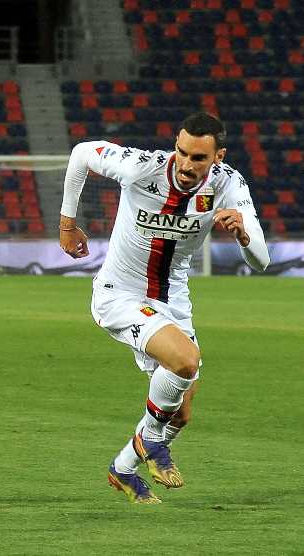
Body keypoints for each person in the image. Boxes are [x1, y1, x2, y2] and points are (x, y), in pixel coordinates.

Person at [59, 112, 269, 504]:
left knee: (182, 414)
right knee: (186, 361)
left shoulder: (229, 184)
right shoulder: (142, 167)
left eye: (199, 158)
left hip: (173, 301)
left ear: (217, 156)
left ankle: (122, 467)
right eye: (182, 152)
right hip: (119, 294)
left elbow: (261, 261)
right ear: (175, 144)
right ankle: (153, 445)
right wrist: (67, 223)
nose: (187, 165)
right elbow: (82, 152)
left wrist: (242, 233)